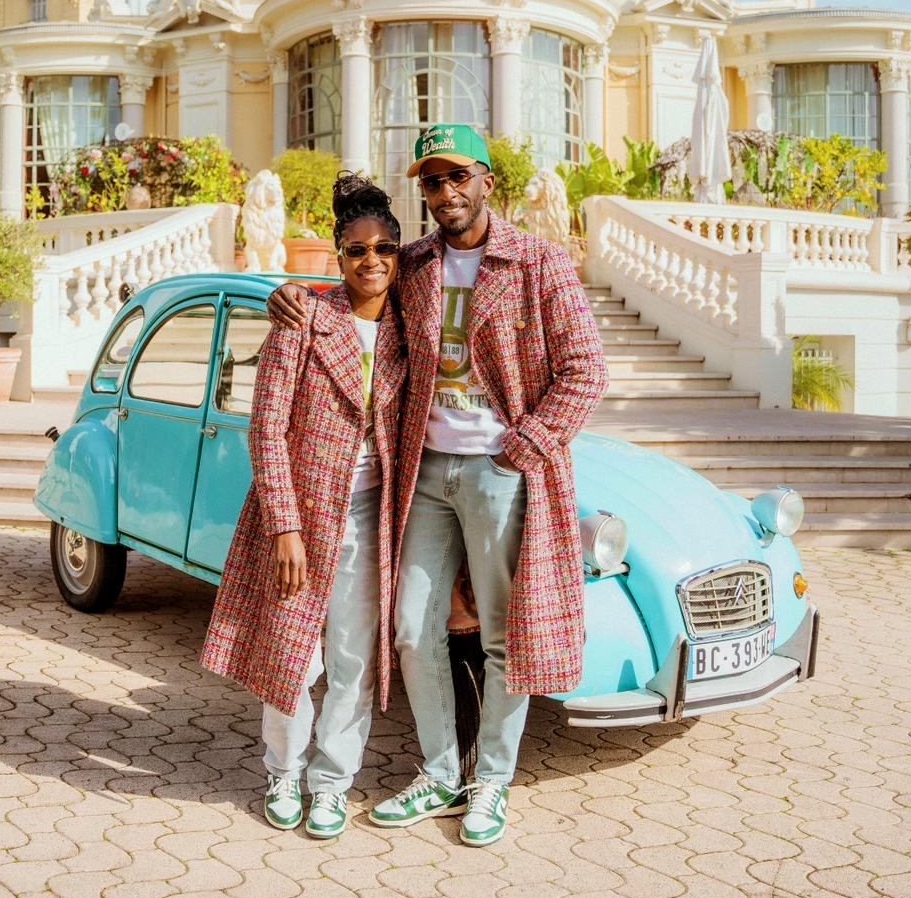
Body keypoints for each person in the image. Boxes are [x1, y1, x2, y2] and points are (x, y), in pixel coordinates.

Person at [269, 124, 608, 847]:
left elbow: (586, 371)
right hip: (423, 471)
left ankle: (490, 783)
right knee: (412, 629)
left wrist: (522, 448)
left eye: (459, 177)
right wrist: (290, 296)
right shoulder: (414, 261)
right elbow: (354, 300)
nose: (447, 193)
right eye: (433, 181)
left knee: (504, 639)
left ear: (488, 180)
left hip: (501, 474)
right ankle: (438, 771)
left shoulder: (539, 263)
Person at [200, 174, 407, 839]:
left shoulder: (412, 331)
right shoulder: (307, 317)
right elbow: (265, 427)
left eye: (384, 249)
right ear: (339, 258)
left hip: (373, 520)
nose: (371, 261)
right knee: (294, 656)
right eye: (356, 250)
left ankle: (332, 782)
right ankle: (282, 771)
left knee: (354, 662)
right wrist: (284, 525)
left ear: (400, 255)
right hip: (302, 515)